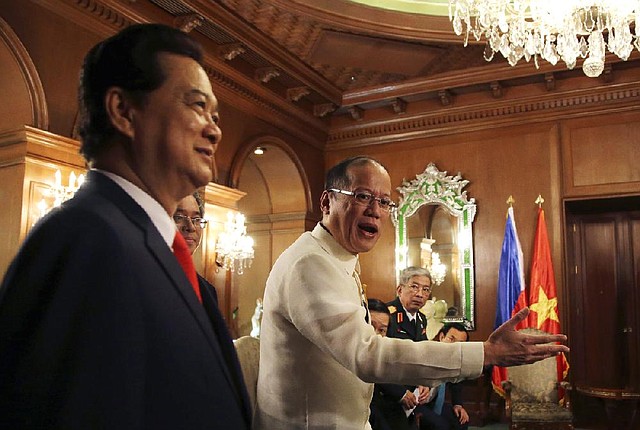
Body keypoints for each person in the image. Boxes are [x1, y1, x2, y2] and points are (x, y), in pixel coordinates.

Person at [0, 24, 251, 429]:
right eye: (196, 106)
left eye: (215, 114)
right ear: (123, 111)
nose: (215, 129)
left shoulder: (163, 252)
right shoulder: (85, 239)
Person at [254, 155, 569, 430]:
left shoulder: (337, 259)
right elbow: (367, 355)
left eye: (384, 202)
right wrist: (486, 353)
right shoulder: (311, 263)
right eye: (363, 196)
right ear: (326, 202)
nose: (375, 211)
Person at [376, 267, 433, 429]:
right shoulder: (387, 316)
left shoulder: (421, 319)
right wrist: (399, 393)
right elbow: (378, 361)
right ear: (400, 289)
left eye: (426, 289)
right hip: (388, 394)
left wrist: (424, 383)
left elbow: (422, 354)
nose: (420, 294)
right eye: (414, 287)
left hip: (413, 394)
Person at [416, 323, 471, 430]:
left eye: (460, 343)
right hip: (416, 403)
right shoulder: (426, 352)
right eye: (451, 339)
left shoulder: (455, 360)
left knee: (461, 421)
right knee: (441, 426)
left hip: (434, 403)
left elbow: (456, 383)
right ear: (442, 337)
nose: (454, 345)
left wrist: (458, 405)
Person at [174, 191, 218, 303]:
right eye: (179, 217)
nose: (191, 227)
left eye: (197, 219)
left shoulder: (208, 291)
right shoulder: (150, 276)